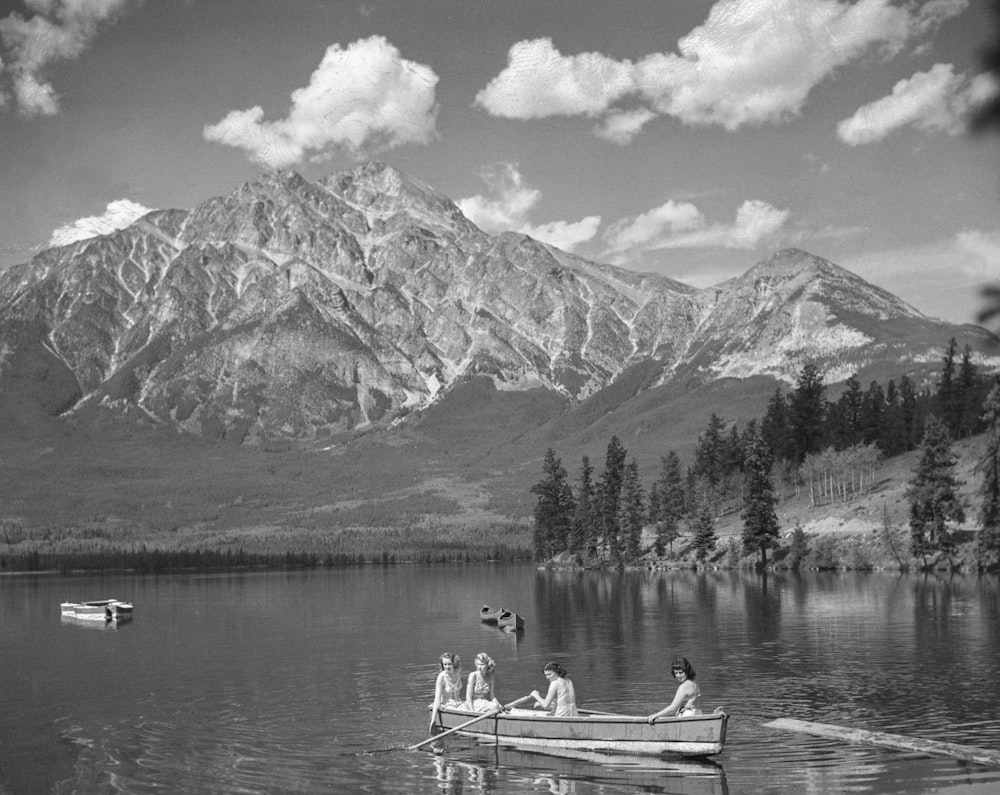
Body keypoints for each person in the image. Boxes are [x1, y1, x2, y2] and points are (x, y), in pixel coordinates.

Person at [647, 657, 702, 722]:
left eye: (681, 672)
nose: (678, 675)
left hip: (687, 718)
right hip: (698, 716)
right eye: (676, 673)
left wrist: (655, 716)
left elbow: (673, 709)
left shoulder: (684, 686)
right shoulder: (694, 683)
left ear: (687, 671)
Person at [430, 652, 464, 731]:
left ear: (454, 664)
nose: (447, 667)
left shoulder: (458, 671)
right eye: (445, 664)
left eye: (449, 664)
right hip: (447, 705)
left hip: (459, 703)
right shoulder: (441, 677)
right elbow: (437, 699)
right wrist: (433, 721)